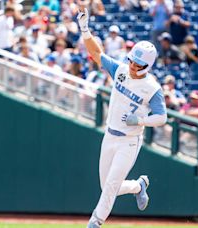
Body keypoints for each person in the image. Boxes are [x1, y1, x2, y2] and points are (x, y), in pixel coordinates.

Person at [77, 7, 167, 228]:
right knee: (107, 186)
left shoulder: (152, 87)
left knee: (110, 187)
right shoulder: (121, 70)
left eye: (139, 64)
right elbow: (97, 54)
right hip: (110, 135)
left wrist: (141, 121)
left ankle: (95, 222)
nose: (134, 66)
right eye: (132, 61)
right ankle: (138, 186)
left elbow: (162, 117)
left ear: (149, 65)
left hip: (129, 140)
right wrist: (85, 30)